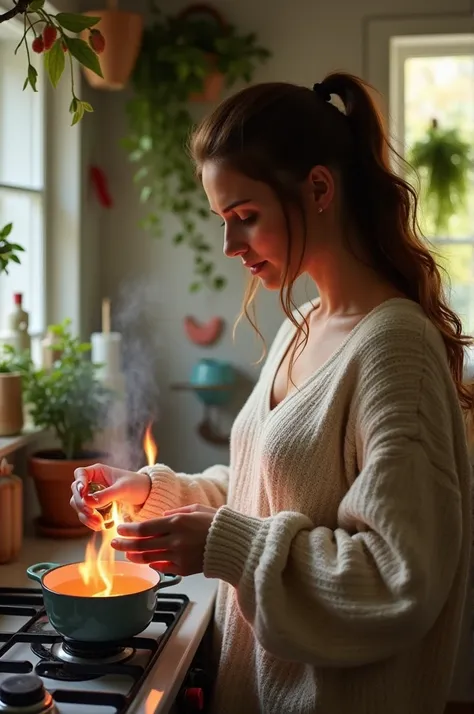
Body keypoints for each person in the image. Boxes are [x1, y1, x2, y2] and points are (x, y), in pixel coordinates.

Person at [71, 72, 473, 714]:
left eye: (245, 217)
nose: (229, 245)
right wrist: (156, 495)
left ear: (318, 188)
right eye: (222, 220)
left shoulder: (396, 348)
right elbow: (270, 492)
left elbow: (398, 577)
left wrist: (224, 545)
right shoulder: (301, 324)